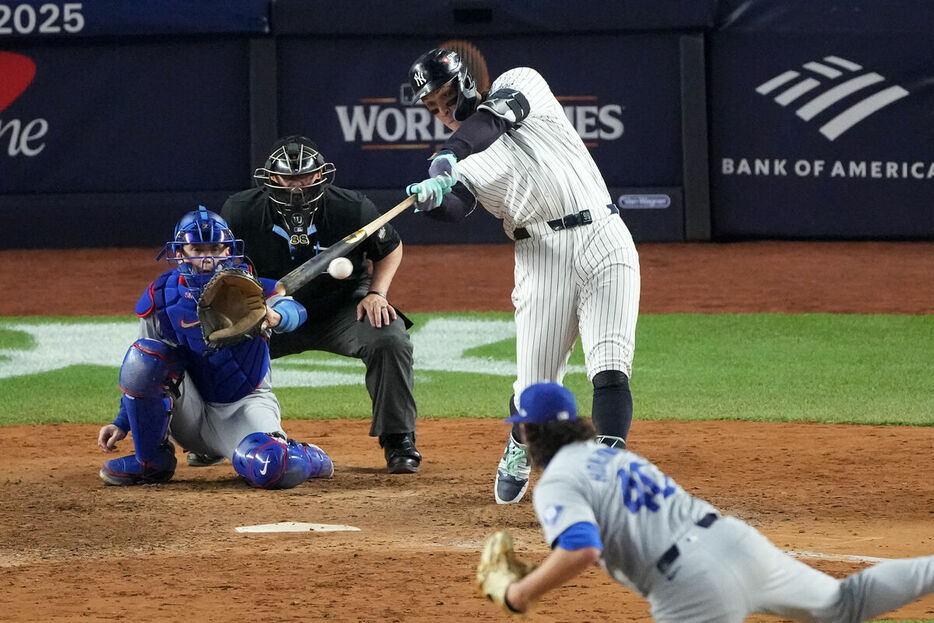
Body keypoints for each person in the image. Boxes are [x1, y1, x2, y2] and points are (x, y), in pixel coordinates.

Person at [478, 382, 934, 621]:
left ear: (528, 431)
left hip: (690, 585)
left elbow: (582, 547)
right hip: (737, 542)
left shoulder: (557, 480)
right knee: (844, 604)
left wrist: (520, 594)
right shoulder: (610, 455)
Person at [405, 49, 640, 503]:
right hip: (541, 257)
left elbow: (491, 122)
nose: (443, 114)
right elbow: (458, 207)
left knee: (610, 364)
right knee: (536, 391)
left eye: (445, 98)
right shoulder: (465, 165)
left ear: (466, 83)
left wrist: (447, 156)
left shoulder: (522, 82)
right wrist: (434, 202)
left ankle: (610, 475)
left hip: (604, 235)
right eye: (431, 108)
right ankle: (519, 442)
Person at [222, 136, 421, 474]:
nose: (297, 187)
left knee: (390, 337)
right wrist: (249, 311)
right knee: (217, 342)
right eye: (288, 179)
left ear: (319, 176)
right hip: (269, 313)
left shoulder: (351, 208)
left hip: (341, 310)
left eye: (305, 178)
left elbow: (390, 248)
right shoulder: (241, 212)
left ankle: (398, 439)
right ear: (271, 178)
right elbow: (226, 267)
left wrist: (377, 293)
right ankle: (214, 437)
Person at [97, 207, 333, 489]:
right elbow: (143, 369)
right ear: (181, 251)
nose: (207, 257)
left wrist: (276, 316)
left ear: (228, 250)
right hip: (189, 409)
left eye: (216, 248)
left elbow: (294, 309)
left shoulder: (251, 290)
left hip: (243, 406)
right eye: (197, 248)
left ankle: (308, 456)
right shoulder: (161, 295)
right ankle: (151, 462)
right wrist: (121, 422)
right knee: (145, 355)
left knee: (275, 468)